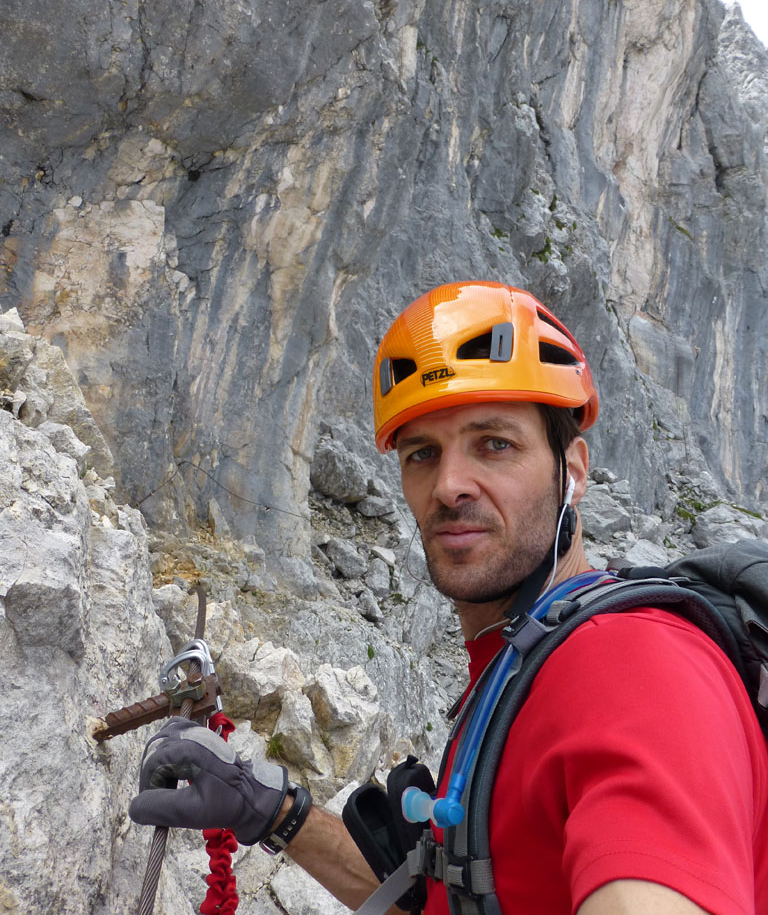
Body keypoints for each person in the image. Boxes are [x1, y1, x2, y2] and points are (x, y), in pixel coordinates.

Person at [130, 282, 768, 914]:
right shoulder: (518, 661)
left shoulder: (629, 668)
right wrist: (271, 810)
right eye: (422, 454)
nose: (449, 484)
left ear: (572, 468)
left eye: (495, 444)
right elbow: (454, 894)